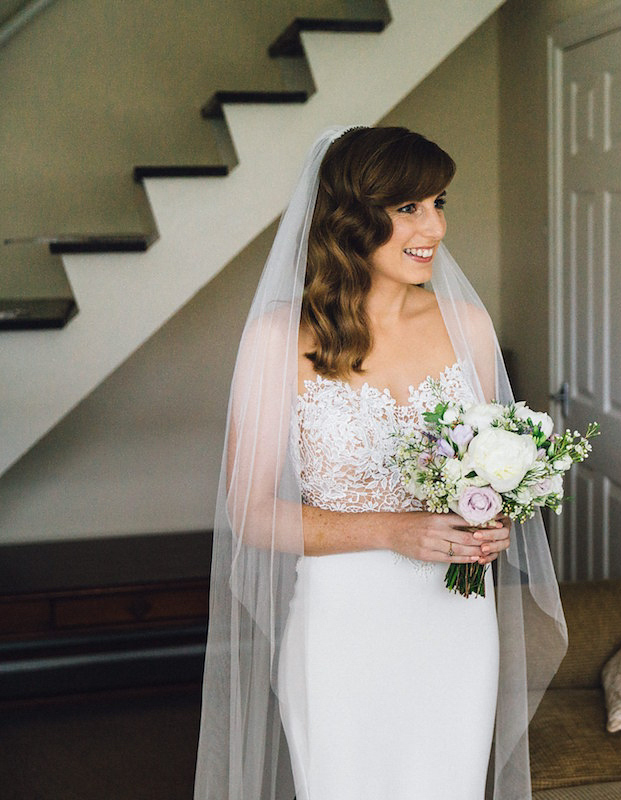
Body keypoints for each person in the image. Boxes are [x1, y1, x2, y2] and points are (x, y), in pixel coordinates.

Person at [194, 126, 567, 800]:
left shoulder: (467, 326)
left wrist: (488, 519)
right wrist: (395, 531)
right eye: (409, 209)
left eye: (438, 203)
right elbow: (248, 515)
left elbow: (481, 470)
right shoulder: (278, 339)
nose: (436, 227)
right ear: (352, 219)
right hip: (344, 626)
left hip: (457, 623)